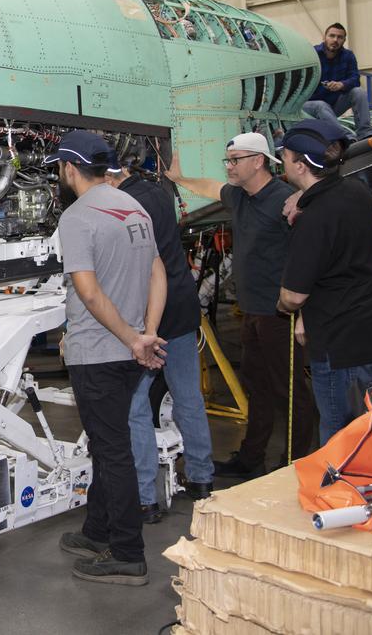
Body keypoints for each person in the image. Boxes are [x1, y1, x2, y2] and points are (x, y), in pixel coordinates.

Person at [50, 130, 167, 588]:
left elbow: (88, 291)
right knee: (106, 441)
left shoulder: (77, 218)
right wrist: (146, 333)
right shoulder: (132, 205)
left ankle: (128, 553)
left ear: (69, 169)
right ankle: (97, 531)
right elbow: (157, 271)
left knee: (112, 449)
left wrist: (130, 337)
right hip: (130, 351)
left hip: (98, 352)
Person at [166, 132, 316, 475]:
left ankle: (295, 463)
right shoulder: (239, 196)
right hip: (252, 311)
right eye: (228, 161)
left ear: (258, 161)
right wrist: (180, 180)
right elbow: (210, 187)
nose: (229, 167)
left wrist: (304, 312)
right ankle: (252, 460)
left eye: (235, 160)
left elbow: (309, 255)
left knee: (290, 392)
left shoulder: (285, 199)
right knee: (258, 389)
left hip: (282, 313)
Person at [105, 161, 214, 522]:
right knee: (188, 396)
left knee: (135, 406)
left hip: (146, 314)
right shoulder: (156, 192)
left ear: (109, 177)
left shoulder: (124, 206)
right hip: (181, 307)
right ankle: (201, 480)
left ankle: (145, 498)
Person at [276, 120, 372, 443]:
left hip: (339, 349)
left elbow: (294, 295)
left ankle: (344, 493)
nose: (283, 163)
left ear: (300, 166)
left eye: (285, 157)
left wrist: (285, 305)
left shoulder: (313, 221)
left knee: (339, 439)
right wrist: (301, 199)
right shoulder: (357, 192)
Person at [304, 23, 372, 140]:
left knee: (358, 92)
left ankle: (365, 133)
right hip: (309, 107)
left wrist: (342, 85)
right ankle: (346, 138)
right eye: (332, 36)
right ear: (324, 37)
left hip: (332, 106)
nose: (335, 40)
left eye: (339, 37)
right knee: (321, 105)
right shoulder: (312, 54)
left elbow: (355, 79)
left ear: (344, 40)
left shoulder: (348, 56)